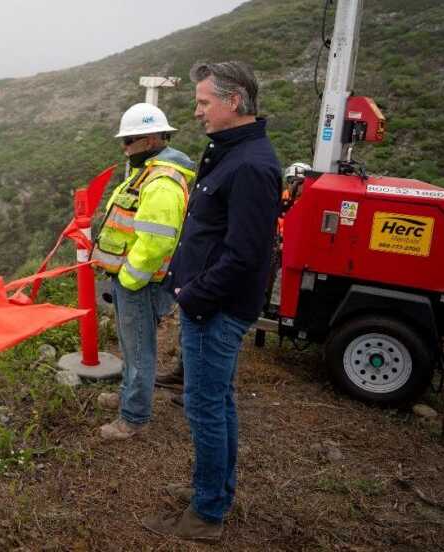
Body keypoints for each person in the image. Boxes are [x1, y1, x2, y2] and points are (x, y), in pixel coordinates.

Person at [142, 62, 281, 541]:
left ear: (234, 101)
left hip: (216, 308)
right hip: (211, 302)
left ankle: (205, 514)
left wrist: (192, 295)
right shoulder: (232, 153)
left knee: (204, 407)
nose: (197, 111)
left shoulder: (252, 166)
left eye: (204, 102)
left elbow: (245, 255)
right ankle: (213, 495)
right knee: (216, 403)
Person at [90, 103, 195, 441]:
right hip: (131, 279)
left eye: (129, 141)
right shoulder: (148, 172)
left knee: (139, 352)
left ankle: (133, 417)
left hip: (140, 282)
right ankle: (127, 396)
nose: (124, 148)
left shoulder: (162, 181)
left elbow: (156, 242)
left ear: (150, 139)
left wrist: (130, 278)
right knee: (131, 346)